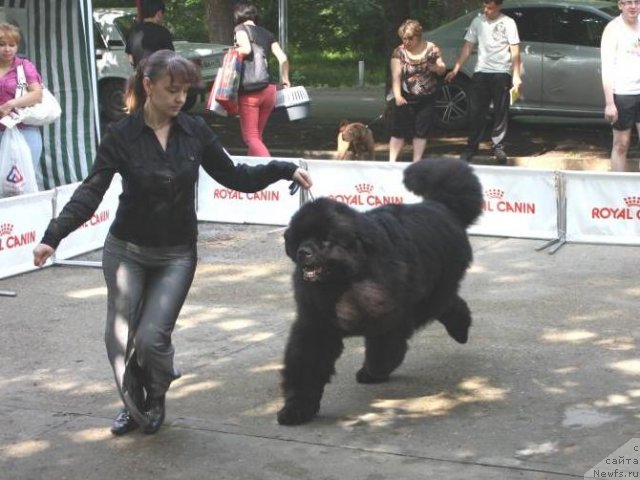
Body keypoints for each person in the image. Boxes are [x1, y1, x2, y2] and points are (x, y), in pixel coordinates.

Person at [32, 49, 312, 436]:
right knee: (123, 339)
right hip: (126, 251)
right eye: (172, 89)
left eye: (185, 91)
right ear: (148, 86)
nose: (180, 98)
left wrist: (285, 168)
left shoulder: (195, 131)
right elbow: (91, 191)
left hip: (176, 254)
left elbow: (235, 176)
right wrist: (53, 237)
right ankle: (134, 406)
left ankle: (157, 391)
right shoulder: (122, 135)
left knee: (151, 338)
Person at [445, 0, 522, 164]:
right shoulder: (477, 21)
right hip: (481, 71)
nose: (486, 10)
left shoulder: (508, 23)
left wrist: (516, 75)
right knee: (476, 111)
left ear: (499, 6)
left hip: (501, 72)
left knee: (501, 111)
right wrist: (456, 69)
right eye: (484, 6)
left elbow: (515, 50)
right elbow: (467, 47)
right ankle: (472, 146)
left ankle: (498, 146)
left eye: (490, 7)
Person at [233, 1, 290, 157]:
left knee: (250, 137)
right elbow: (283, 58)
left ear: (238, 15)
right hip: (270, 90)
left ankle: (271, 168)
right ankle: (254, 176)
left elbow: (245, 49)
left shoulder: (240, 29)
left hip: (251, 90)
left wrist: (231, 52)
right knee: (257, 136)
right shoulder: (267, 33)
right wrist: (285, 80)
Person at [388, 19, 446, 162]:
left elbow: (442, 68)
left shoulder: (432, 49)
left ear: (419, 36)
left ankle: (417, 162)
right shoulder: (399, 52)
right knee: (398, 130)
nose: (406, 42)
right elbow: (396, 76)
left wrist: (437, 69)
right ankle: (391, 162)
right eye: (404, 39)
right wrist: (397, 96)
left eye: (410, 38)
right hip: (406, 96)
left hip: (427, 96)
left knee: (421, 131)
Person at [0, 23, 44, 189]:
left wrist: (11, 104)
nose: (7, 49)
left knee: (24, 182)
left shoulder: (24, 66)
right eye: (2, 44)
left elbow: (37, 94)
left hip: (25, 131)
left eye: (12, 45)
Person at [600, 0, 640, 172]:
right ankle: (617, 192)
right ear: (620, 5)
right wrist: (610, 103)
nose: (633, 6)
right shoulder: (613, 28)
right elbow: (607, 66)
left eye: (637, 2)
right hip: (623, 93)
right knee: (621, 144)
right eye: (628, 2)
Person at [126, 0, 174, 68]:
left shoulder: (133, 31)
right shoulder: (163, 32)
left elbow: (130, 59)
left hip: (139, 75)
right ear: (159, 13)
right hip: (157, 76)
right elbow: (171, 58)